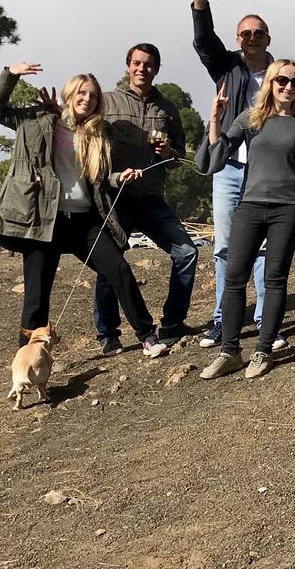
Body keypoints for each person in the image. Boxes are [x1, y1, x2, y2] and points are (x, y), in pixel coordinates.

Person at [0, 63, 168, 358]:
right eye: (81, 93)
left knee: (118, 269)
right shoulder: (37, 119)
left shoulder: (97, 134)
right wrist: (11, 73)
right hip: (43, 221)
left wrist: (118, 177)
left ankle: (147, 335)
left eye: (93, 96)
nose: (87, 99)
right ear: (69, 94)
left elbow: (99, 180)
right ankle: (28, 360)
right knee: (36, 297)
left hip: (84, 222)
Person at [195, 60, 295, 379]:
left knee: (274, 279)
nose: (288, 86)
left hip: (287, 207)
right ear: (271, 83)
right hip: (250, 204)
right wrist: (215, 119)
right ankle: (230, 351)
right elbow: (217, 158)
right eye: (282, 80)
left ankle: (263, 351)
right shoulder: (250, 118)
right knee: (235, 276)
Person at [93, 42, 200, 355]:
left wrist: (170, 152)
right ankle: (108, 335)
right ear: (128, 65)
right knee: (109, 263)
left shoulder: (167, 109)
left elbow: (179, 152)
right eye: (137, 63)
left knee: (187, 252)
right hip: (117, 197)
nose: (142, 69)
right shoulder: (107, 102)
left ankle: (173, 323)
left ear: (156, 69)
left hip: (152, 198)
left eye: (149, 64)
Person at [191, 0, 275, 349]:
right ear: (238, 39)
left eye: (258, 33)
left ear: (268, 39)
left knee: (261, 246)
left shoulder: (282, 76)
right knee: (224, 245)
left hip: (264, 172)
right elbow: (204, 41)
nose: (252, 38)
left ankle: (261, 319)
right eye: (245, 33)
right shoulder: (227, 68)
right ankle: (224, 320)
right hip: (228, 168)